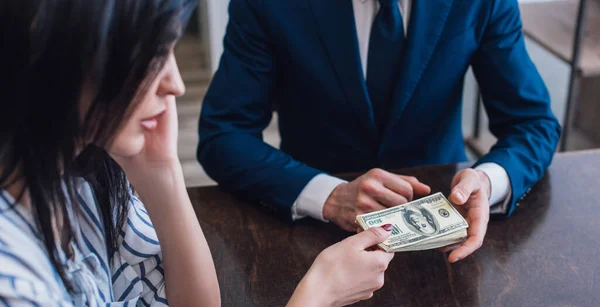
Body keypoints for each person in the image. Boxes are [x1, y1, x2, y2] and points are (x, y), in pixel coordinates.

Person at [0, 1, 395, 307]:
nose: (176, 84)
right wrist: (318, 293)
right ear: (63, 57)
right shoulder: (9, 276)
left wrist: (163, 170)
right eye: (155, 55)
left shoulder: (82, 177)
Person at [198, 0, 561, 264]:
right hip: (313, 238)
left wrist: (487, 180)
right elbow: (223, 134)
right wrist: (328, 195)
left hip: (444, 234)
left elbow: (533, 123)